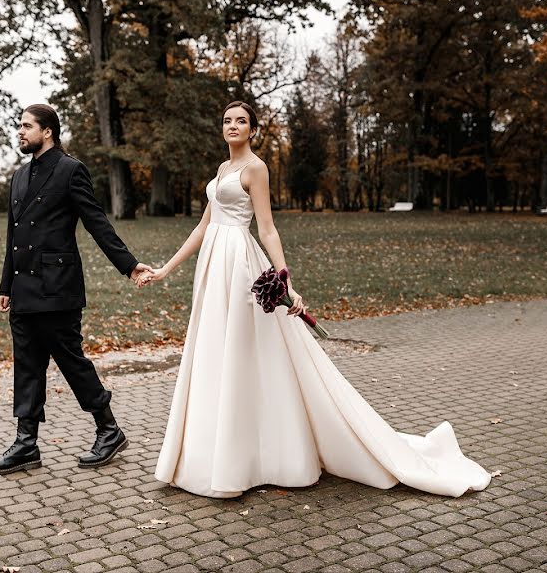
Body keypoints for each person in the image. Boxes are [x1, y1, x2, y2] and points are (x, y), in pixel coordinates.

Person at [138, 101, 492, 498]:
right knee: (215, 351)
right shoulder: (222, 170)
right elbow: (204, 225)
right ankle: (213, 453)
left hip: (238, 263)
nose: (233, 126)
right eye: (227, 121)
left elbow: (267, 229)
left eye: (241, 121)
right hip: (212, 266)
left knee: (243, 350)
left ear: (253, 130)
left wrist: (285, 279)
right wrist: (166, 269)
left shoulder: (256, 169)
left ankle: (255, 457)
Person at [0, 104, 150, 475]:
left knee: (71, 361)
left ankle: (109, 430)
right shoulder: (19, 176)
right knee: (27, 367)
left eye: (27, 126)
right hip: (24, 289)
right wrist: (6, 284)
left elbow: (96, 223)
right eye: (19, 126)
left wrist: (128, 264)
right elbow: (14, 236)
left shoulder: (70, 170)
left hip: (57, 288)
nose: (20, 132)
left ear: (48, 131)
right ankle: (26, 444)